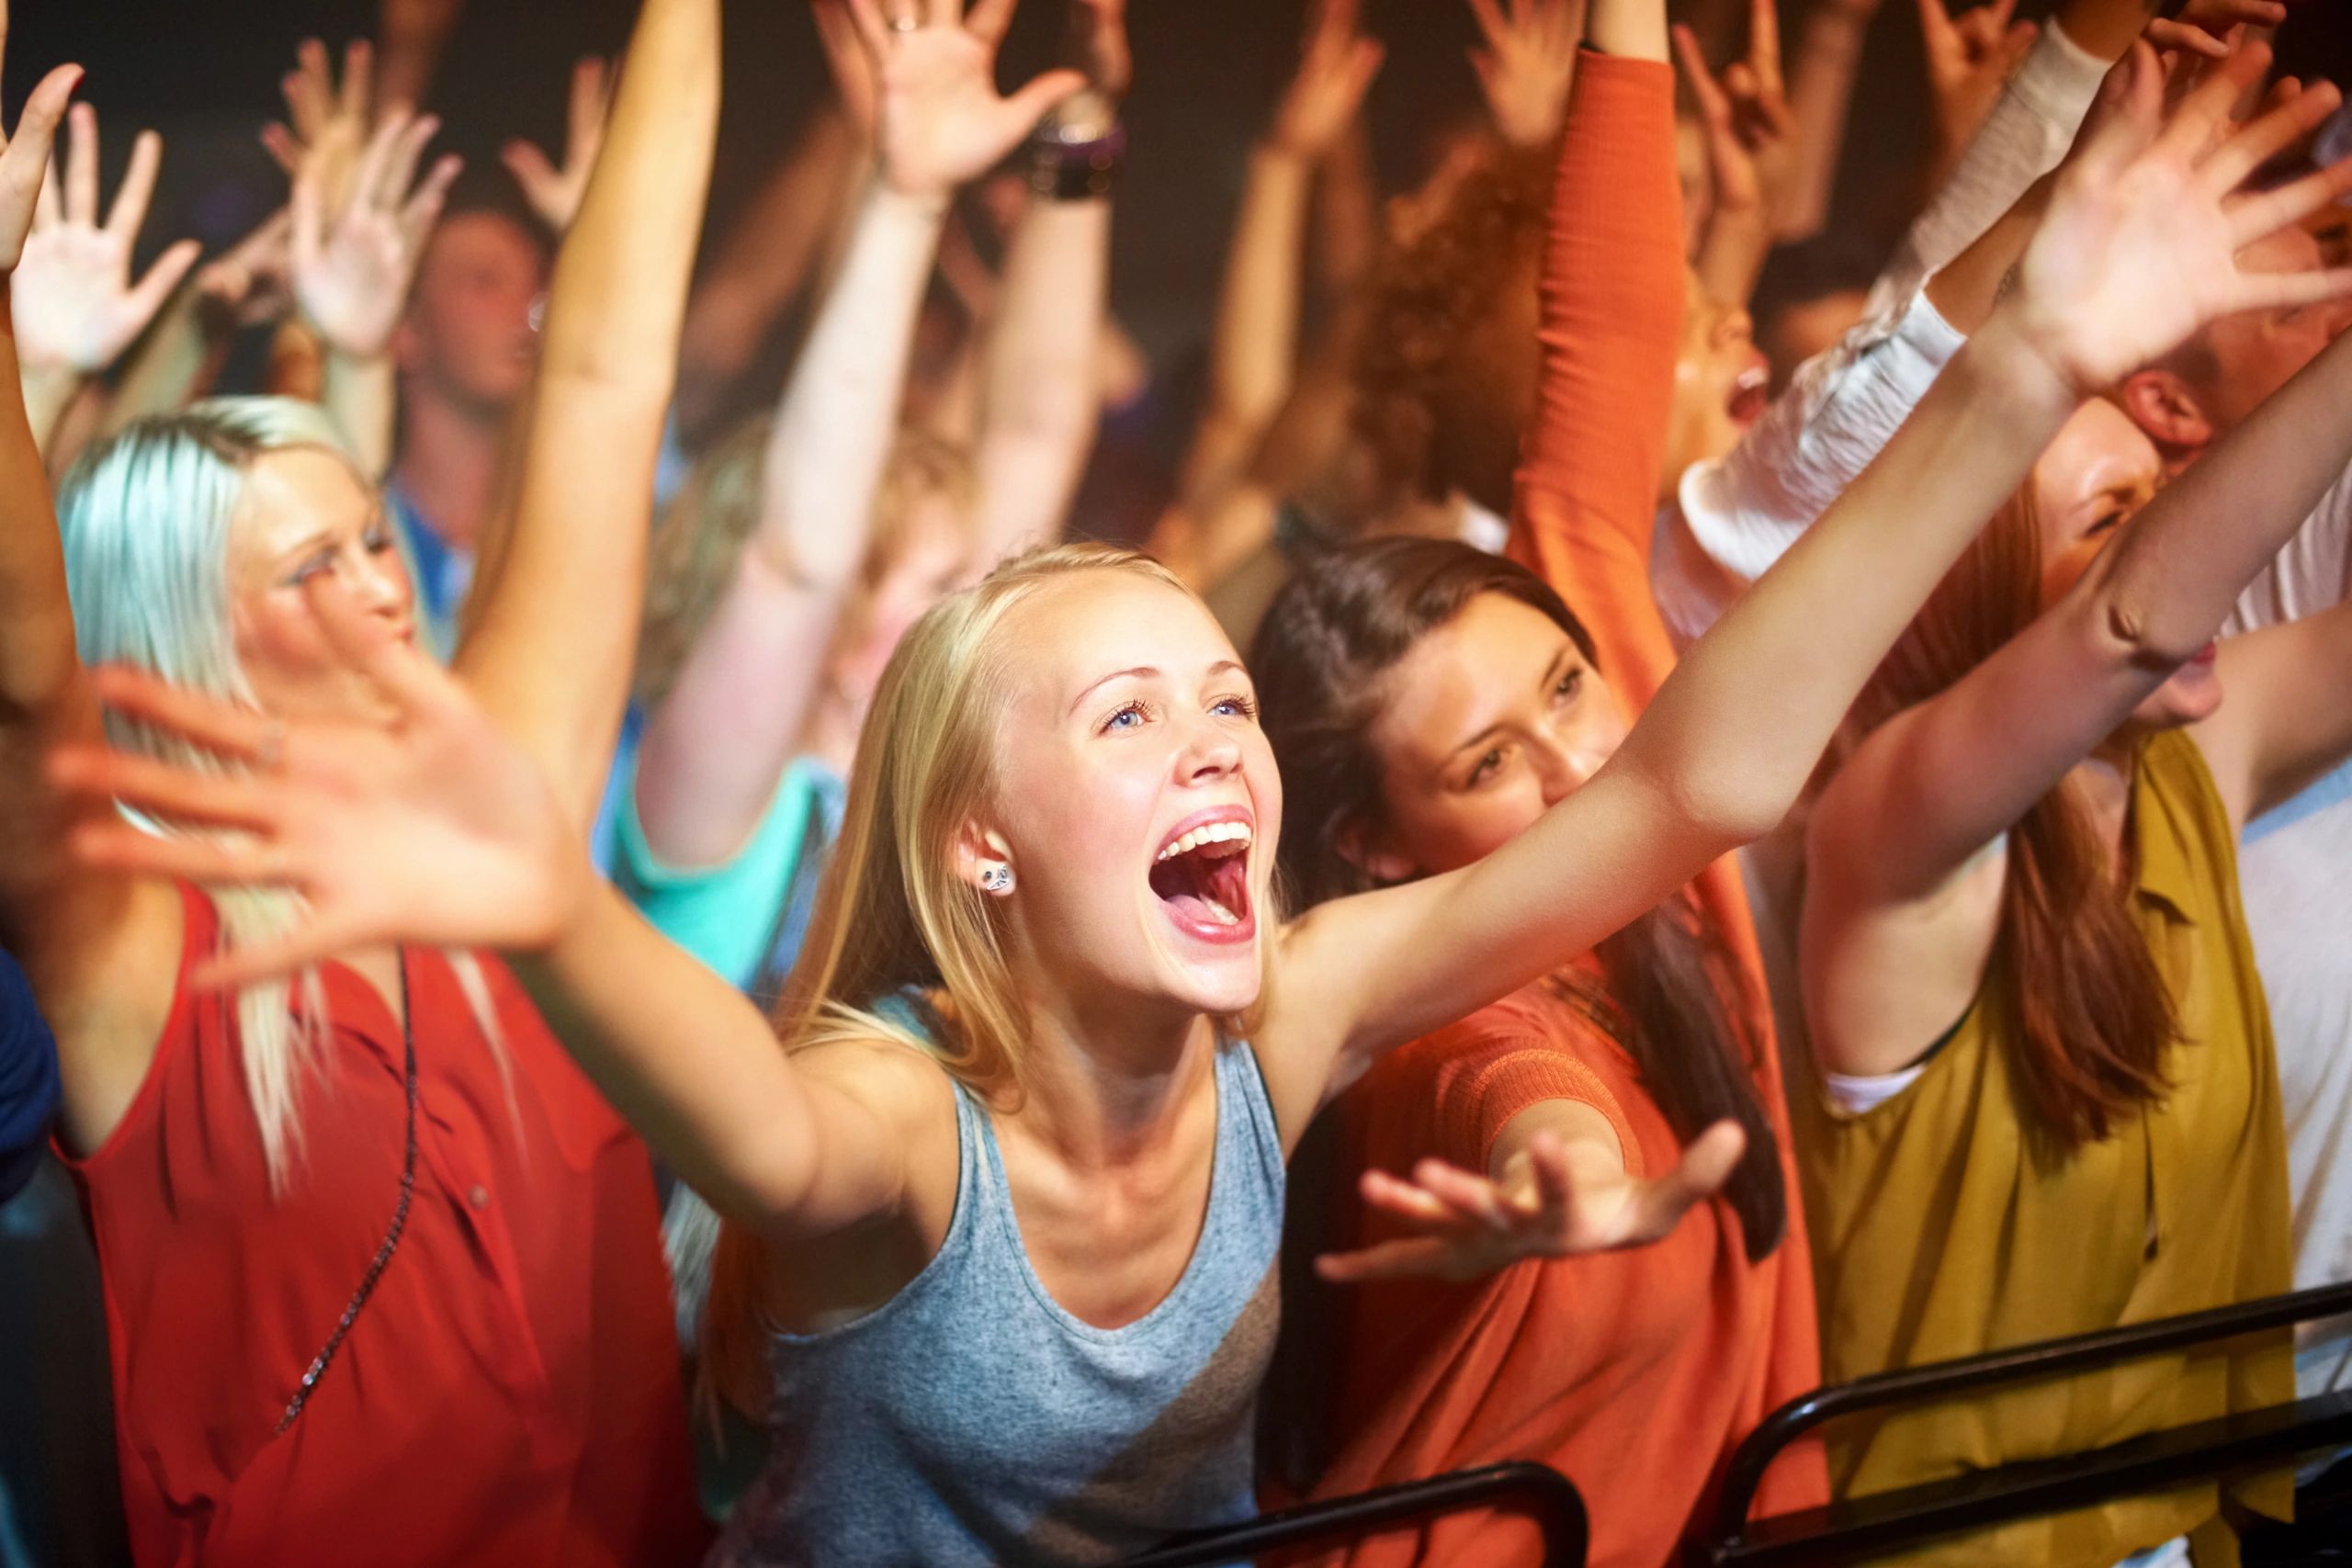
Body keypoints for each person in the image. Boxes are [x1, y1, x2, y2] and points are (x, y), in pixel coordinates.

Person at [51, 25, 2346, 1568]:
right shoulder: (892, 1122)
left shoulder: (1293, 1012)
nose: (1212, 738)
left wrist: (2024, 354)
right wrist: (545, 900)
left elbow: (1682, 780)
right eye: (1123, 721)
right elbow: (742, 1134)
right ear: (978, 844)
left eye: (1211, 698)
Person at [0, 0, 719, 1556]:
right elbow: (15, 673)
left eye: (376, 540)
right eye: (315, 568)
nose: (384, 591)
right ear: (186, 636)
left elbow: (601, 377)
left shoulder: (502, 816)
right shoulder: (145, 950)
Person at [1251, 8, 1826, 1559]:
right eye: (1489, 764)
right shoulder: (1451, 1018)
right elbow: (1514, 1094)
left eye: (1570, 689)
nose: (1584, 767)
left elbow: (1610, 330)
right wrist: (1561, 1178)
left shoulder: (1609, 693)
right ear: (1371, 846)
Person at [1796, 73, 2352, 1568]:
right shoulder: (1896, 840)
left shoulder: (2189, 769)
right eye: (2119, 513)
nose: (2193, 539)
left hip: (2182, 1532)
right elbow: (2127, 622)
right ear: (1982, 613)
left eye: (2165, 486)